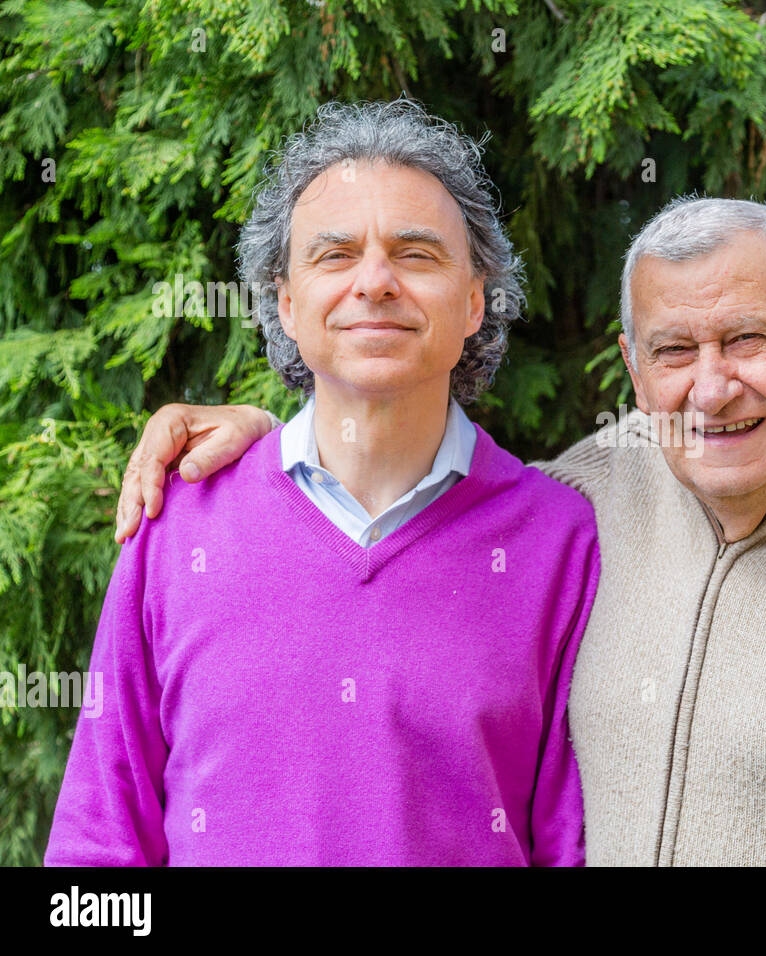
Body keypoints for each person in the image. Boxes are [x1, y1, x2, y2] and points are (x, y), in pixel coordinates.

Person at [113, 187, 766, 865]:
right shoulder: (573, 509)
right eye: (672, 349)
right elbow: (410, 484)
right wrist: (263, 444)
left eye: (746, 336)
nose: (711, 386)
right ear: (630, 364)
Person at [46, 100, 599, 866]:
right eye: (335, 255)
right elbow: (97, 849)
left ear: (475, 301)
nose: (374, 282)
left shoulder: (561, 541)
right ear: (285, 303)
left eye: (416, 253)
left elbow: (571, 846)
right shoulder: (177, 524)